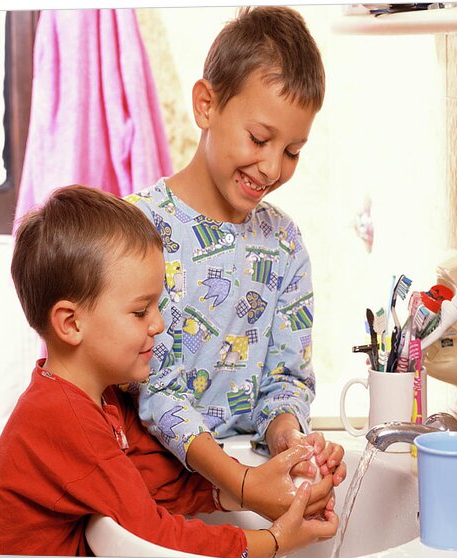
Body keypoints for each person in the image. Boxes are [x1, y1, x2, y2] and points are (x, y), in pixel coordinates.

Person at [0, 185, 338, 558]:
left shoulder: (104, 400)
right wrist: (275, 542)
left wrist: (245, 492)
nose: (159, 324)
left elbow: (156, 482)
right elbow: (153, 535)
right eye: (140, 311)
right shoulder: (59, 418)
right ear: (70, 323)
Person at [126, 6, 346, 522]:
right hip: (155, 494)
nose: (272, 167)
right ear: (207, 105)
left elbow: (285, 381)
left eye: (293, 150)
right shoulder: (136, 231)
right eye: (260, 139)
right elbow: (156, 390)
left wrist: (292, 442)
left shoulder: (285, 244)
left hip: (244, 477)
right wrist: (242, 483)